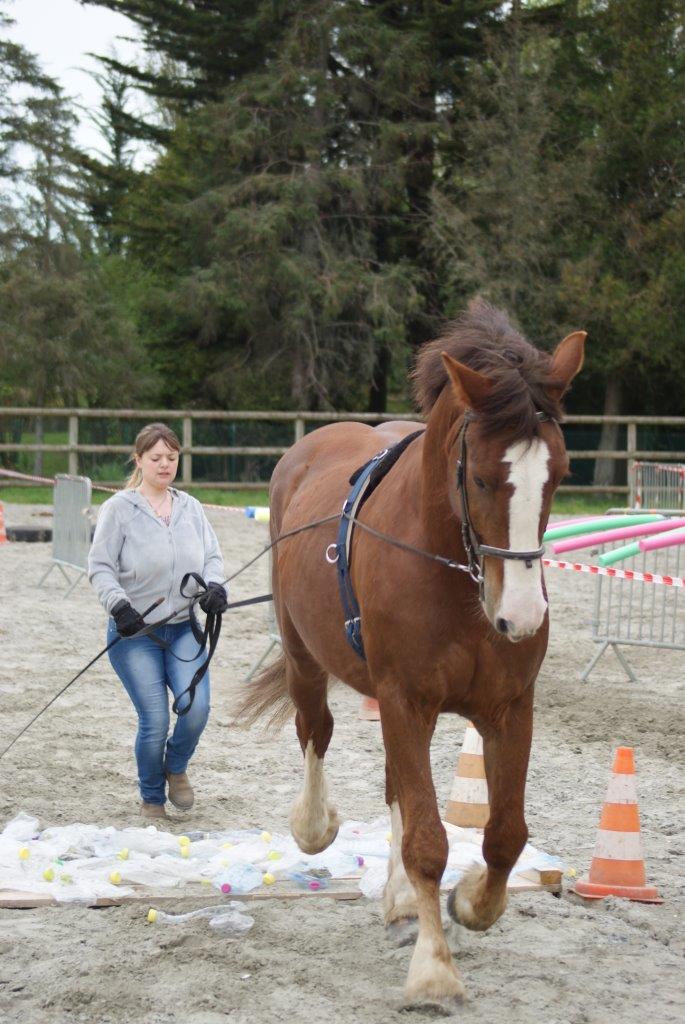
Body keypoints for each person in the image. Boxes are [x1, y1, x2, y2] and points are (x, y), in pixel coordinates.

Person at [88, 422, 229, 820]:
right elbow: (100, 567)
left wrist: (215, 588)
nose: (164, 464)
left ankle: (176, 766)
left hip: (183, 627)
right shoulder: (118, 509)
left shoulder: (191, 507)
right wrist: (118, 606)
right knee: (154, 718)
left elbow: (212, 558)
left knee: (196, 708)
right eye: (156, 458)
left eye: (171, 457)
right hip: (135, 634)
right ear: (139, 460)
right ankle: (152, 798)